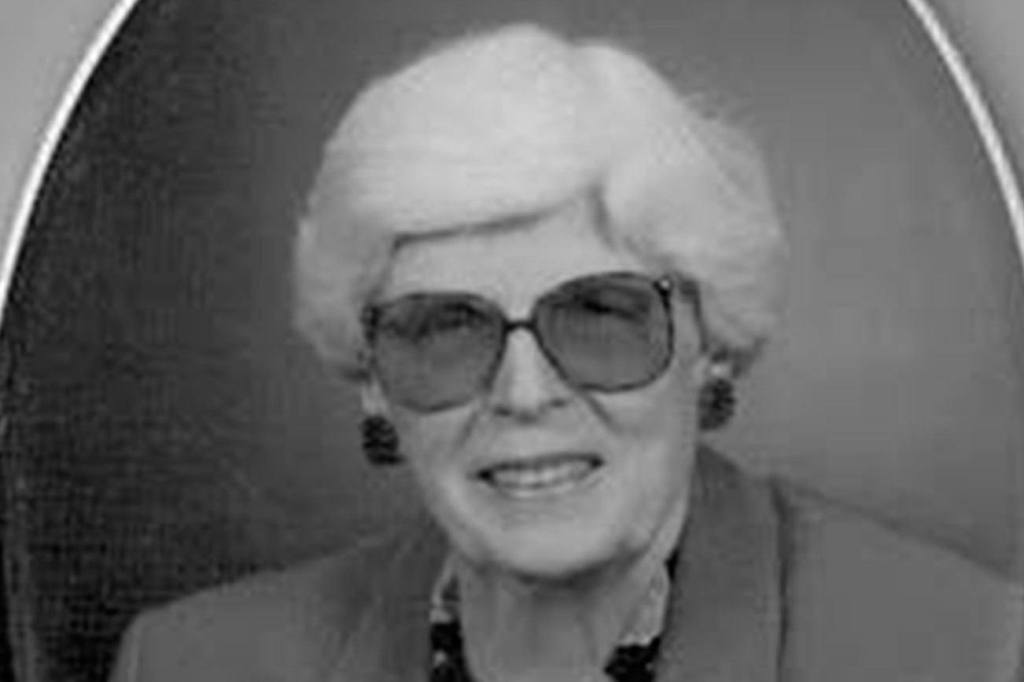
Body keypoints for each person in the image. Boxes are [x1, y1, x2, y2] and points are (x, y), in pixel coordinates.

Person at [108, 23, 1021, 682]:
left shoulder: (966, 653)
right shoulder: (196, 664)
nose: (524, 392)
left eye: (600, 316)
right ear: (371, 380)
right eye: (446, 329)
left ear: (710, 348)